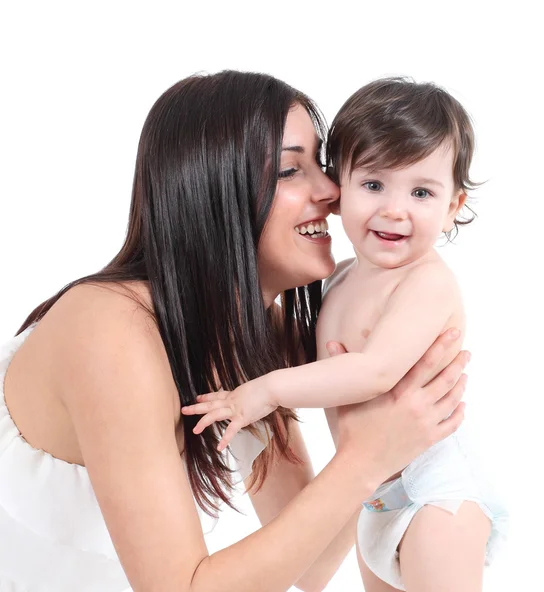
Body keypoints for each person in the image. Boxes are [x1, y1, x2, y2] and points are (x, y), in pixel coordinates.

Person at [0, 71, 469, 592]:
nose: (332, 191)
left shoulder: (246, 333)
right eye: (293, 170)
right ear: (215, 191)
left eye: (323, 163)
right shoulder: (109, 329)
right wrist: (366, 457)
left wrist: (382, 444)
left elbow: (309, 569)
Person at [187, 77, 508, 591]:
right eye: (374, 185)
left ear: (453, 206)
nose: (394, 209)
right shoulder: (339, 278)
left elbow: (373, 372)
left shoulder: (426, 282)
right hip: (373, 496)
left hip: (436, 495)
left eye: (422, 192)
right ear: (340, 191)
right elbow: (305, 357)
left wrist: (264, 392)